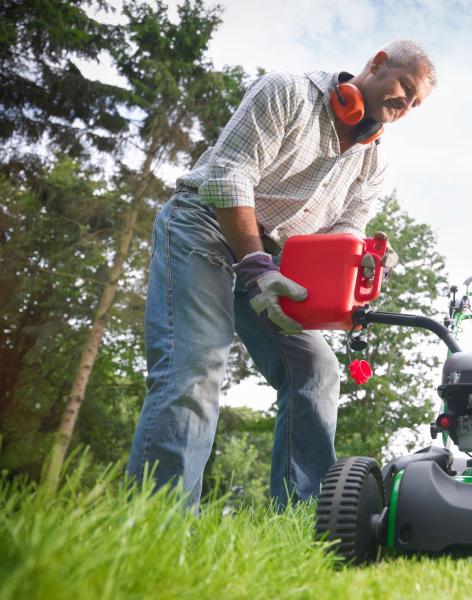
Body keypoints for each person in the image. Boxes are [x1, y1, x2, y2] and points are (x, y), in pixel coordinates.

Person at [126, 40, 436, 508]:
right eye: (403, 88)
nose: (403, 106)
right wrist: (254, 267)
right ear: (375, 64)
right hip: (203, 226)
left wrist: (355, 276)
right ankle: (156, 528)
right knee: (195, 368)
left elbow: (345, 233)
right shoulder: (287, 94)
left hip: (274, 265)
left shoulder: (372, 162)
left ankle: (301, 521)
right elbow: (229, 176)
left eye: (415, 104)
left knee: (316, 367)